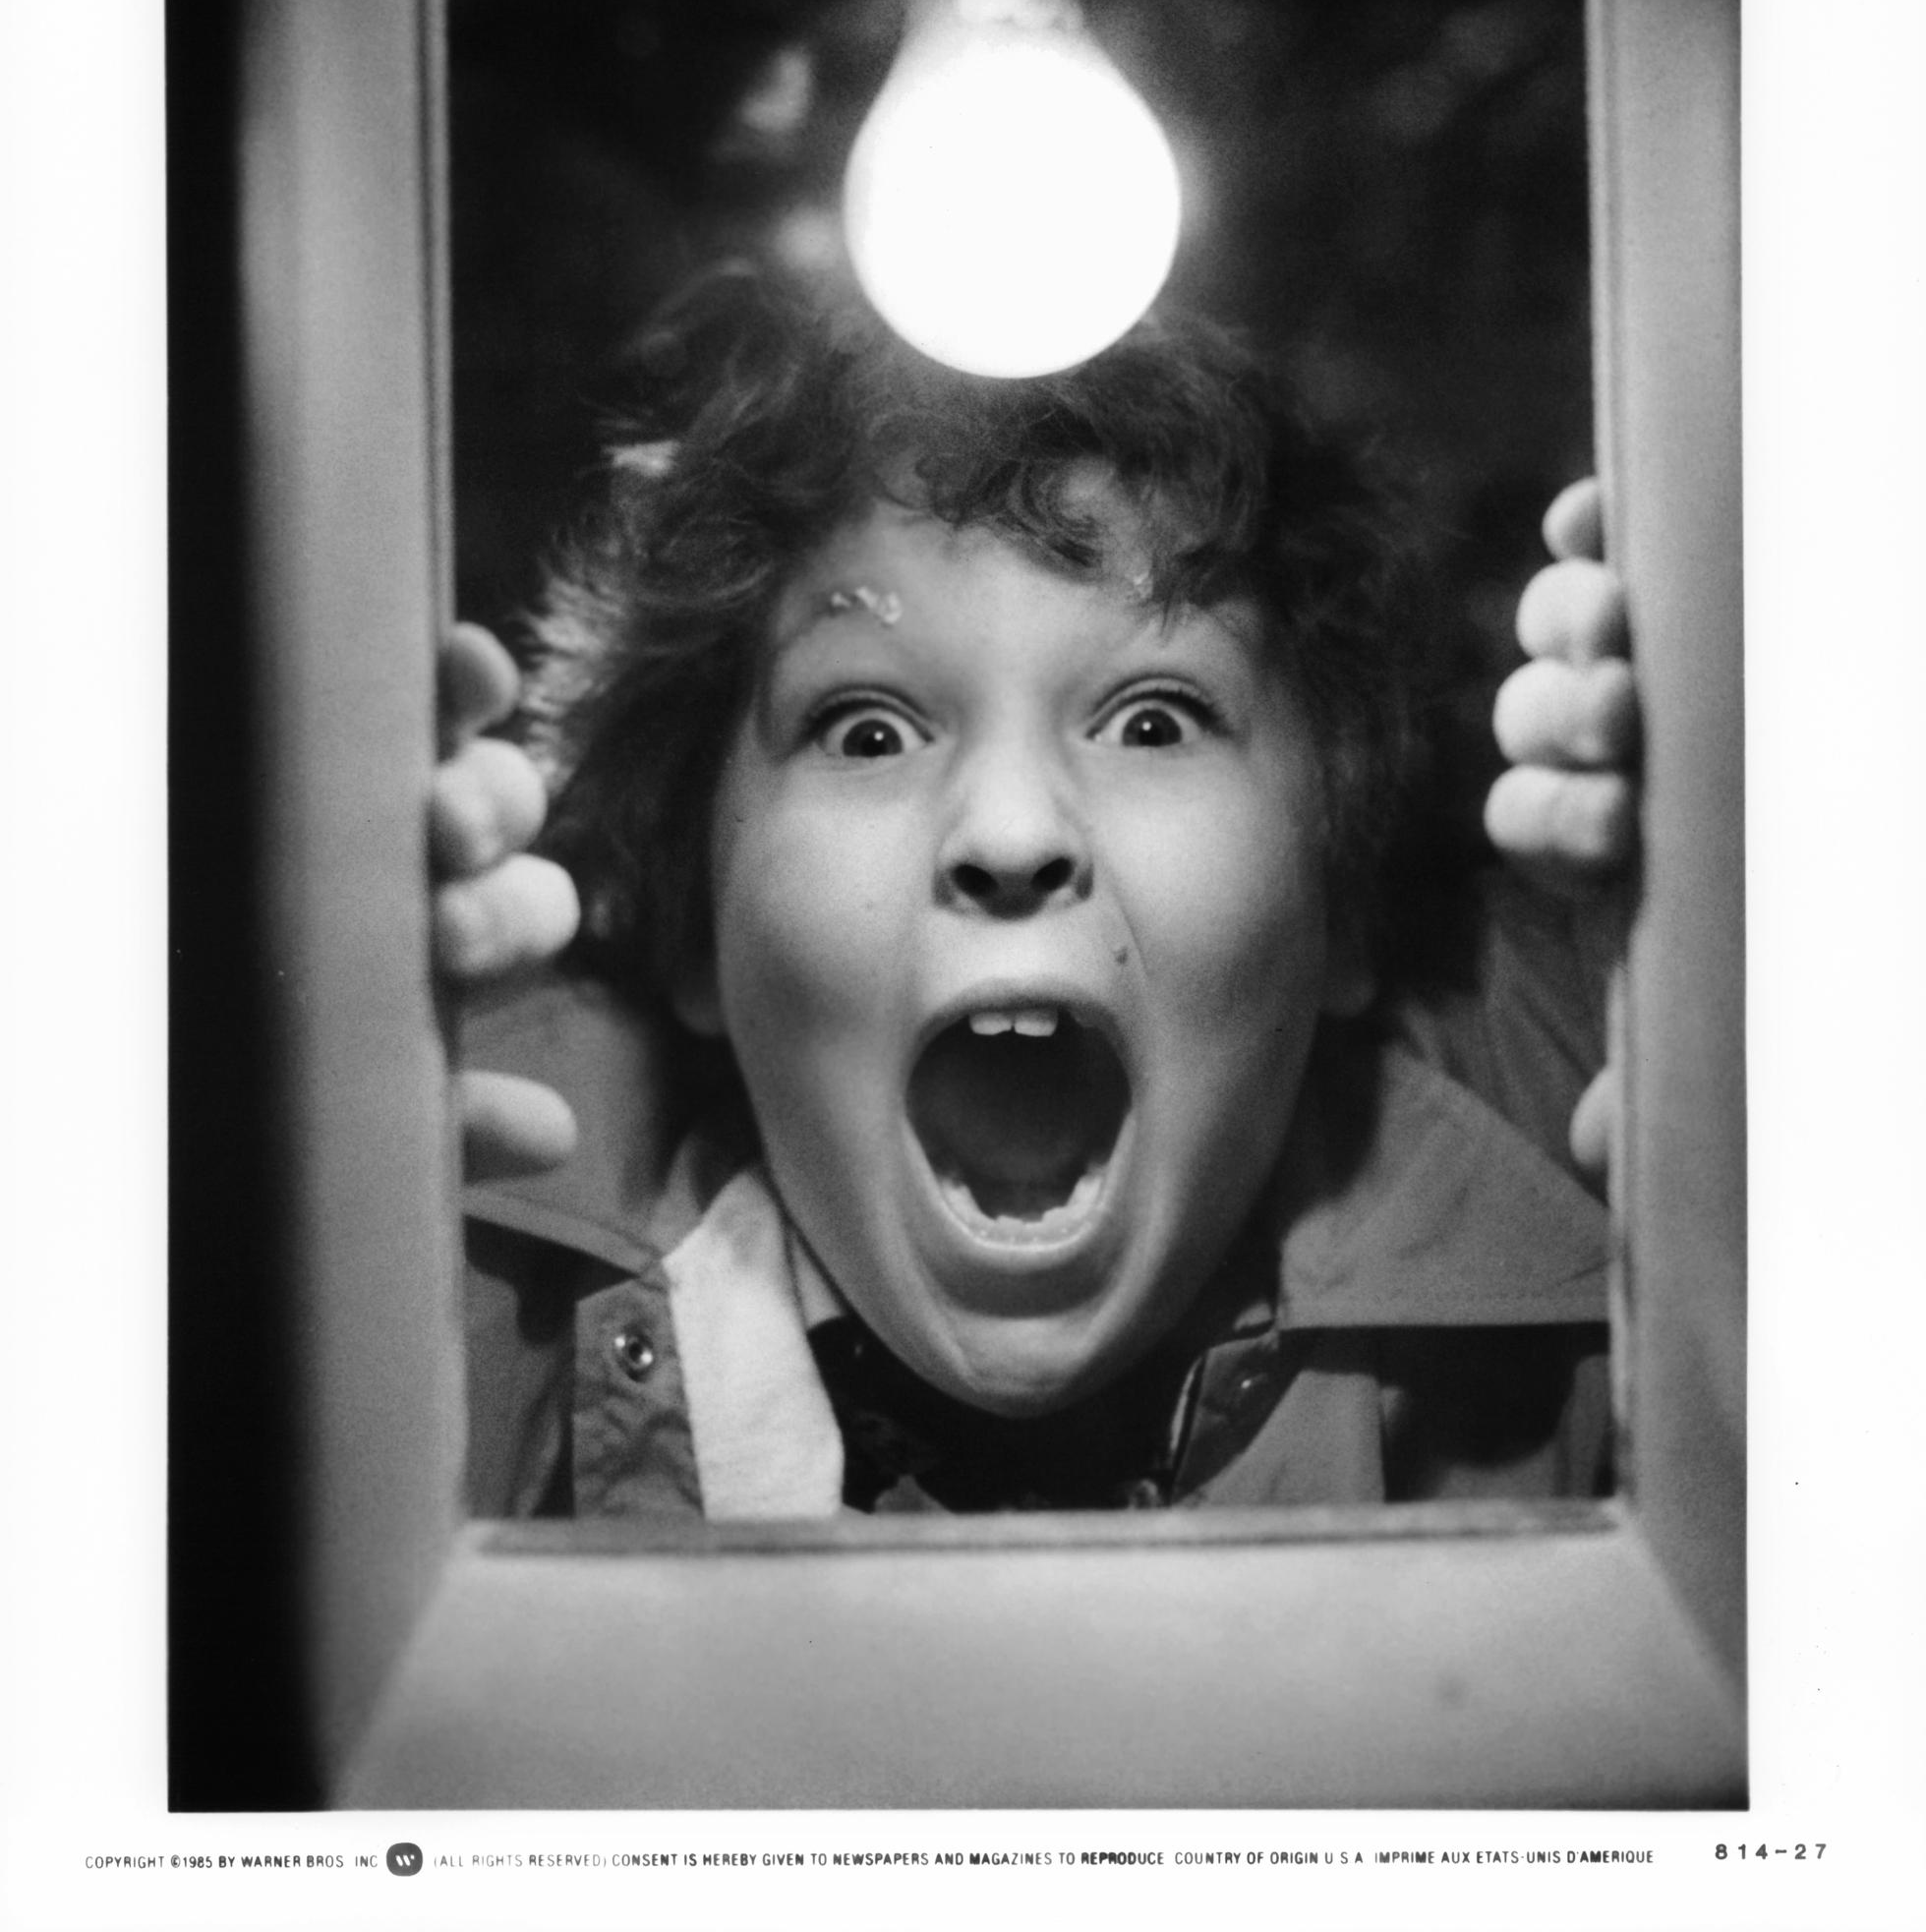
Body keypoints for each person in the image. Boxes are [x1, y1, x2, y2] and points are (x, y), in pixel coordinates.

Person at [433, 284, 1637, 1519]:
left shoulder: (1615, 1218)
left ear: (1339, 905)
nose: (1011, 832)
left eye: (1154, 720)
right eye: (866, 731)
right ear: (694, 925)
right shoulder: (431, 1293)